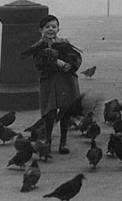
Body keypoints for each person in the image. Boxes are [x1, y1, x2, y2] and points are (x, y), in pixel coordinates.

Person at [27, 15, 82, 154]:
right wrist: (55, 62)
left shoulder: (64, 42)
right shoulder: (38, 46)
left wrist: (70, 65)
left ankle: (63, 142)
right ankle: (47, 140)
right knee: (49, 113)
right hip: (49, 82)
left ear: (58, 29)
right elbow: (38, 64)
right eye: (47, 27)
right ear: (41, 30)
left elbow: (76, 57)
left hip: (66, 80)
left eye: (54, 26)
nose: (50, 29)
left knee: (65, 112)